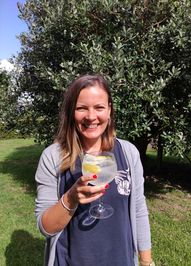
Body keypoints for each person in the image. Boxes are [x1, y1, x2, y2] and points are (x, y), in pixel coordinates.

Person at [35, 74, 154, 266]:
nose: (91, 117)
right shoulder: (53, 157)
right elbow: (45, 228)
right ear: (71, 112)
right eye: (82, 108)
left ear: (109, 109)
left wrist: (147, 261)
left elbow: (139, 209)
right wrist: (71, 198)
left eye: (99, 107)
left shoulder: (128, 152)